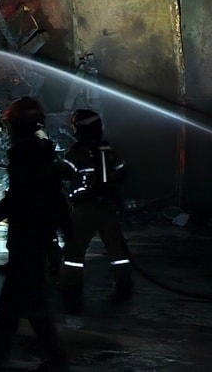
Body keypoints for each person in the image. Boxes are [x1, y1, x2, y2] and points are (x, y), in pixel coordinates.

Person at [0, 97, 71, 371]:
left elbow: (19, 197)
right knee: (14, 301)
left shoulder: (25, 156)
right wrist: (62, 233)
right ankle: (3, 353)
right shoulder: (41, 152)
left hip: (28, 238)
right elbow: (54, 197)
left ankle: (50, 357)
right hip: (34, 237)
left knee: (25, 301)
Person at [56, 109, 133, 303]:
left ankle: (70, 286)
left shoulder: (77, 152)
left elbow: (64, 173)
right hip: (108, 206)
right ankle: (124, 282)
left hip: (85, 207)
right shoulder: (109, 150)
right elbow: (122, 171)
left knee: (75, 249)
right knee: (117, 249)